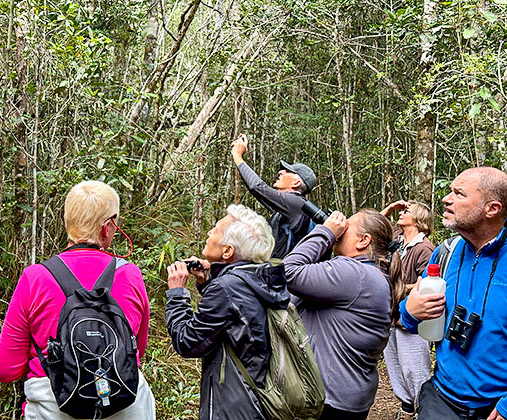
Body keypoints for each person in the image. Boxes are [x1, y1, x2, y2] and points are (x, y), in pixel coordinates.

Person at [0, 181, 155, 420]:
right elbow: (135, 352)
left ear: (66, 219)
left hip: (53, 408)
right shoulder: (130, 275)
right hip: (123, 403)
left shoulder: (35, 278)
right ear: (108, 227)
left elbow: (5, 369)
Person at [400, 167, 507, 420]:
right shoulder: (446, 252)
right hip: (441, 399)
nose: (446, 198)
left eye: (458, 193)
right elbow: (408, 317)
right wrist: (409, 310)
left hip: (498, 407)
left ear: (491, 209)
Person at [165, 204, 290, 420]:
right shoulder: (260, 277)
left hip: (232, 406)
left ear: (227, 251)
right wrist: (208, 281)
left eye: (215, 229)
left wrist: (177, 294)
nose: (209, 232)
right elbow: (235, 321)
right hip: (258, 398)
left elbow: (187, 342)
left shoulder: (226, 288)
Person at [283, 209, 405, 420]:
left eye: (346, 227)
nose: (341, 229)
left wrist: (326, 232)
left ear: (363, 241)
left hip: (330, 401)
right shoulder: (368, 274)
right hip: (345, 397)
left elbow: (287, 272)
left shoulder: (355, 273)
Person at [381, 200, 435, 419]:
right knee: (394, 365)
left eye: (407, 212)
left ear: (419, 220)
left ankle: (423, 409)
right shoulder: (398, 240)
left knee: (415, 368)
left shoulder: (424, 248)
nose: (402, 213)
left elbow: (428, 283)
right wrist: (393, 207)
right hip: (391, 315)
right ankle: (406, 407)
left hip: (412, 320)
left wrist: (399, 287)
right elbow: (377, 223)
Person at [231, 133, 317, 258]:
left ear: (296, 183)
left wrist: (237, 156)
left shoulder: (296, 203)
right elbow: (258, 192)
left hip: (282, 271)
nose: (280, 172)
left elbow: (257, 187)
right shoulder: (287, 207)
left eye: (287, 171)